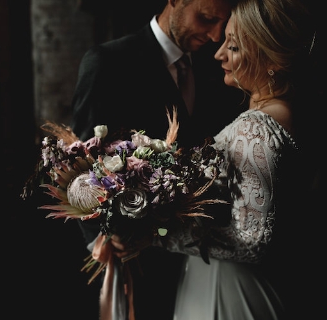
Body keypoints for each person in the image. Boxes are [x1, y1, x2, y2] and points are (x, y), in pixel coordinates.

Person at [110, 0, 322, 318]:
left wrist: (156, 233)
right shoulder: (291, 116)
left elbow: (252, 242)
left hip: (231, 289)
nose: (218, 53)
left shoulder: (256, 128)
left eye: (233, 46)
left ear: (272, 60)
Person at [70, 0, 246, 318]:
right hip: (128, 256)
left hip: (197, 255)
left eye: (224, 23)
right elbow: (83, 162)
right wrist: (103, 236)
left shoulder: (217, 66)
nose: (217, 36)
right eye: (207, 18)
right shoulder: (108, 62)